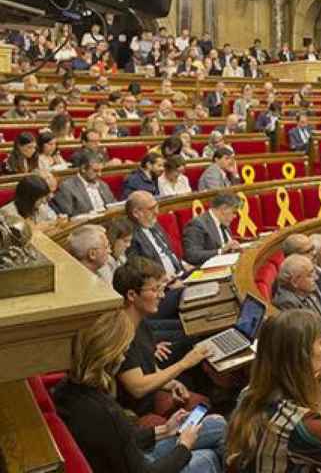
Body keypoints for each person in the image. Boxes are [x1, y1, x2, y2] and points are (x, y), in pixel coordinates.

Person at [52, 310, 225, 473]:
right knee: (208, 458)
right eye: (123, 352)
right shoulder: (104, 411)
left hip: (131, 459)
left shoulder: (67, 387)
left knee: (218, 424)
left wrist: (165, 429)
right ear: (110, 355)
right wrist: (184, 447)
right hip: (140, 467)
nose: (123, 358)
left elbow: (121, 441)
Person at [224, 310, 321, 472]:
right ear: (300, 358)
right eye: (320, 341)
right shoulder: (298, 428)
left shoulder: (250, 392)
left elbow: (319, 419)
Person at [113, 257, 216, 425]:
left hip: (151, 398)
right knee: (217, 426)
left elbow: (149, 366)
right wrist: (184, 363)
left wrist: (171, 383)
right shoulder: (121, 333)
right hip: (136, 414)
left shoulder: (141, 322)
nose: (161, 295)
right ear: (132, 295)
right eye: (155, 290)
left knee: (204, 403)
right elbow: (137, 387)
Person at [126, 191, 190, 278]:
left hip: (181, 274)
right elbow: (141, 273)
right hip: (164, 285)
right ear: (136, 213)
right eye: (151, 208)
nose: (157, 212)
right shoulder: (131, 236)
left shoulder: (153, 223)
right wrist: (168, 282)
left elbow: (169, 252)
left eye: (156, 206)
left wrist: (183, 265)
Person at [182, 193, 242, 266]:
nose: (235, 216)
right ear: (223, 209)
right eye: (234, 212)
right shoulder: (197, 224)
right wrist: (220, 251)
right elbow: (192, 255)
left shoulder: (223, 221)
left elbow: (226, 243)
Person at [52, 151, 115, 216]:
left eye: (101, 170)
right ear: (83, 169)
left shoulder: (103, 185)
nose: (99, 174)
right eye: (95, 171)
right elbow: (68, 215)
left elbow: (113, 206)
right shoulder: (67, 187)